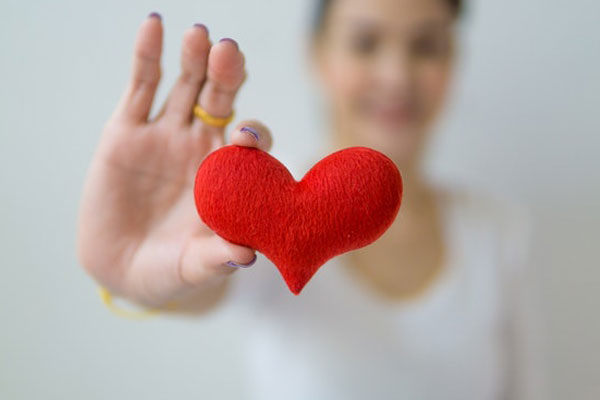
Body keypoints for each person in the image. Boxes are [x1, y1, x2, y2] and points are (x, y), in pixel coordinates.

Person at [76, 0, 545, 398]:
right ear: (317, 55)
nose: (397, 75)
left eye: (426, 46)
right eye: (365, 43)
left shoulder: (500, 231)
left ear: (453, 61)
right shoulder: (258, 210)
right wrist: (131, 269)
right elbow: (199, 289)